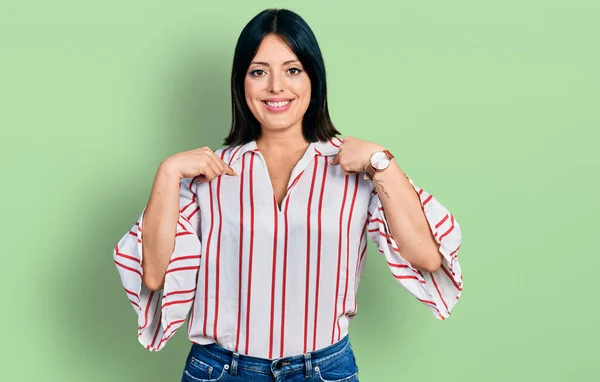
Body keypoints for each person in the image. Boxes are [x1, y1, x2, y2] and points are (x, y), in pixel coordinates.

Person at [113, 8, 463, 382]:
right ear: (241, 82)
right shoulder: (205, 174)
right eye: (259, 71)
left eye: (292, 70)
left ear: (314, 78)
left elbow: (427, 257)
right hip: (219, 371)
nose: (276, 86)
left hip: (323, 371)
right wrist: (168, 172)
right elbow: (153, 275)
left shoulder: (359, 169)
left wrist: (382, 162)